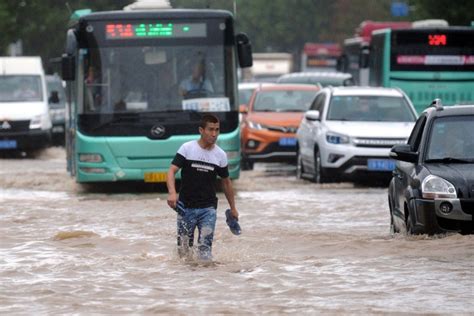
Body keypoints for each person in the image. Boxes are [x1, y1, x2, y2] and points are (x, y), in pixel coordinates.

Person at [166, 114, 239, 261]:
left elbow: (226, 182)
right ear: (201, 130)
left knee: (205, 250)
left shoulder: (220, 155)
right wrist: (172, 193)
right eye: (210, 129)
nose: (214, 134)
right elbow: (171, 171)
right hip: (185, 208)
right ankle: (188, 282)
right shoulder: (187, 148)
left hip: (208, 209)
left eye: (217, 130)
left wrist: (233, 208)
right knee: (184, 252)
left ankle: (206, 281)